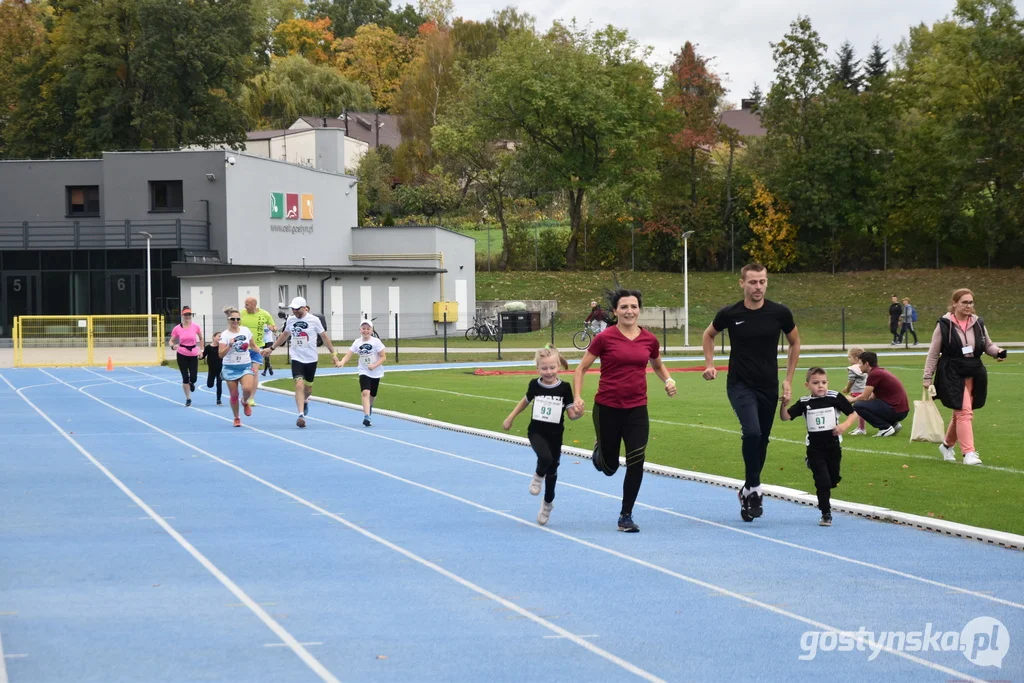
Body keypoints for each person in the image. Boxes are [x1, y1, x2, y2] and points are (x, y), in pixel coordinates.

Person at [572, 289, 677, 533]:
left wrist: (669, 381)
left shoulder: (649, 340)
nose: (629, 311)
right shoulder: (605, 338)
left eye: (633, 306)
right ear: (616, 311)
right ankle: (600, 450)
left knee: (636, 460)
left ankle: (625, 515)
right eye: (624, 307)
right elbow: (581, 369)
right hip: (607, 408)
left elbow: (658, 365)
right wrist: (577, 396)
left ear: (639, 309)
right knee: (609, 468)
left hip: (637, 409)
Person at [701, 263, 800, 523]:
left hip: (768, 385)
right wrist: (710, 363)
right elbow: (708, 335)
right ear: (742, 283)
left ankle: (747, 490)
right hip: (739, 384)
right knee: (752, 432)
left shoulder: (779, 312)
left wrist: (788, 379)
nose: (758, 287)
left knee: (762, 440)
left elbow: (795, 341)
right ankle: (755, 490)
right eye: (753, 282)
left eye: (762, 282)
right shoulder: (730, 313)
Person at [922, 288, 1007, 466]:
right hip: (952, 371)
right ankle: (968, 453)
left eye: (971, 302)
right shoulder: (944, 324)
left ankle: (946, 446)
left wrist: (998, 352)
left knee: (961, 412)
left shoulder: (977, 322)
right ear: (954, 304)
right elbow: (933, 352)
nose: (968, 306)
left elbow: (987, 345)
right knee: (964, 412)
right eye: (964, 302)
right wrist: (927, 377)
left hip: (974, 371)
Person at [503, 346, 582, 526]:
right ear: (538, 368)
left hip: (556, 435)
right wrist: (510, 417)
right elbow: (524, 401)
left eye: (552, 368)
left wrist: (580, 413)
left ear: (558, 367)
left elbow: (571, 415)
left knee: (553, 472)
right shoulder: (534, 385)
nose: (548, 372)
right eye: (544, 368)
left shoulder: (564, 388)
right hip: (536, 432)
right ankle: (538, 476)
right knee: (544, 458)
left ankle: (547, 504)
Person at [780, 367, 858, 526]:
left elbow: (853, 413)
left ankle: (816, 469)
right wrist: (783, 405)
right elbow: (785, 417)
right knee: (822, 481)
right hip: (815, 447)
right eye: (816, 383)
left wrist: (844, 426)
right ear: (807, 385)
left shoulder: (834, 397)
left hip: (833, 446)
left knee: (832, 480)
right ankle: (826, 513)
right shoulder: (804, 402)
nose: (820, 386)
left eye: (823, 382)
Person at [262, 296, 342, 428]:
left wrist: (333, 354)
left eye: (297, 309)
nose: (295, 312)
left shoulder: (314, 320)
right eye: (293, 309)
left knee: (308, 388)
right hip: (297, 358)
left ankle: (305, 401)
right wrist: (271, 348)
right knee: (299, 385)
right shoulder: (291, 320)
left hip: (311, 358)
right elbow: (284, 335)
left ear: (304, 308)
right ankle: (300, 415)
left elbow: (324, 337)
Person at [336, 319, 387, 427]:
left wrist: (374, 365)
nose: (366, 331)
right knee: (365, 392)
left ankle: (370, 406)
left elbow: (383, 357)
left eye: (368, 329)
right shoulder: (357, 342)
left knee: (372, 394)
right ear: (360, 330)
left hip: (375, 371)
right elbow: (349, 354)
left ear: (372, 330)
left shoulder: (376, 342)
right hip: (363, 371)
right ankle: (367, 416)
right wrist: (342, 362)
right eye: (364, 329)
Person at [848, 351, 908, 437]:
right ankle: (893, 424)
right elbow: (872, 397)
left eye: (860, 363)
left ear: (867, 364)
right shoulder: (878, 372)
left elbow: (864, 397)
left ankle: (885, 428)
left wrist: (851, 400)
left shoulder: (874, 374)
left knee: (858, 405)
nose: (859, 366)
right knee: (866, 404)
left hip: (896, 410)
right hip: (901, 410)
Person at [218, 307, 257, 427]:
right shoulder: (224, 335)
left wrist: (263, 353)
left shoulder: (245, 331)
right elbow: (220, 354)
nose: (235, 321)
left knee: (247, 389)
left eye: (238, 319)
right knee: (234, 394)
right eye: (233, 319)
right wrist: (229, 345)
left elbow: (253, 345)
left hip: (245, 365)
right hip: (230, 367)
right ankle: (236, 417)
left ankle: (245, 401)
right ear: (228, 319)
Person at [240, 297, 276, 405]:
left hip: (257, 347)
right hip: (243, 347)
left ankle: (251, 397)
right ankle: (245, 392)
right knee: (245, 373)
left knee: (254, 371)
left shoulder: (265, 314)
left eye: (247, 304)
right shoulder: (241, 314)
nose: (245, 307)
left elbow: (274, 326)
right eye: (245, 304)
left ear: (254, 305)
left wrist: (272, 328)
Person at [169, 306, 203, 407]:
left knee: (194, 377)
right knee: (185, 377)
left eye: (189, 314)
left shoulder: (196, 327)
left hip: (193, 353)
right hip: (182, 353)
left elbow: (201, 338)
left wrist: (201, 350)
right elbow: (171, 340)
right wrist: (172, 345)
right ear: (182, 315)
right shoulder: (177, 328)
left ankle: (192, 382)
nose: (187, 316)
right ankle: (188, 398)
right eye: (186, 315)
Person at [841, 347, 868, 435]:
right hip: (864, 390)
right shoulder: (864, 367)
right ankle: (860, 427)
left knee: (857, 409)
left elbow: (851, 380)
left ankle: (861, 429)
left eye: (849, 357)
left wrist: (847, 388)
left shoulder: (853, 368)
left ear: (856, 358)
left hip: (857, 392)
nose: (848, 359)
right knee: (859, 409)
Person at [202, 332, 224, 405]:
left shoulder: (222, 347)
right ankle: (210, 382)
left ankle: (218, 400)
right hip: (211, 369)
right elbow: (203, 356)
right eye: (219, 336)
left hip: (220, 369)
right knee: (210, 385)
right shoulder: (208, 347)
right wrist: (199, 355)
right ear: (214, 337)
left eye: (221, 337)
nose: (220, 338)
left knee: (219, 384)